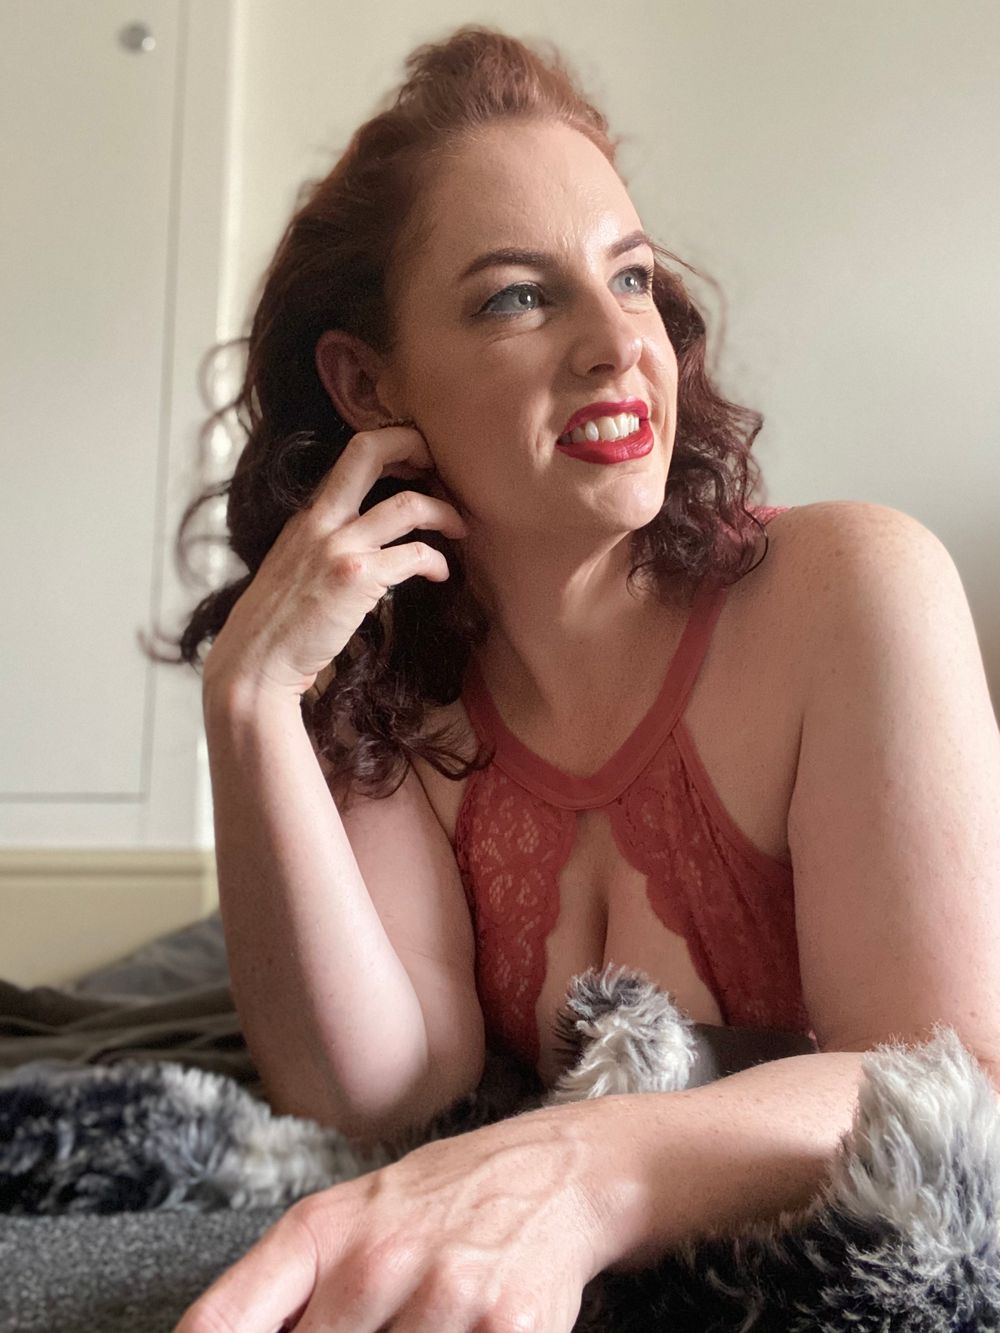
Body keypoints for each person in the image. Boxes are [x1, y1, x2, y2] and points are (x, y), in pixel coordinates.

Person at [166, 24, 1000, 1333]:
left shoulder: (855, 588)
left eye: (631, 277)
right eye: (518, 296)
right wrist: (252, 704)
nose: (619, 344)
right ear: (369, 381)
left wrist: (576, 1168)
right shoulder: (397, 686)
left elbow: (953, 1085)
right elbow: (377, 1088)